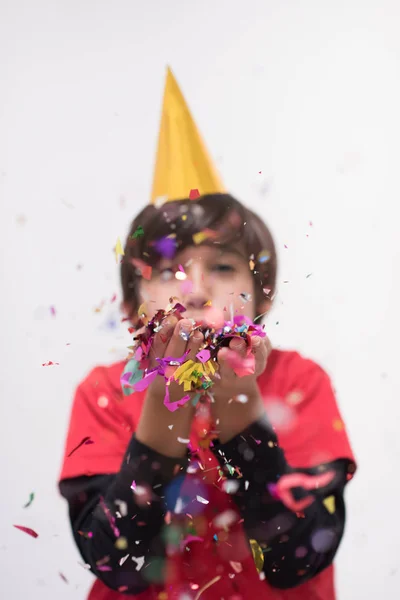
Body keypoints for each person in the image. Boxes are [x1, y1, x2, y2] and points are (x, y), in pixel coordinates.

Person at [58, 192, 356, 600]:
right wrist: (164, 410)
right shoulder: (105, 392)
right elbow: (118, 567)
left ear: (263, 293)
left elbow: (295, 562)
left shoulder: (299, 382)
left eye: (222, 266)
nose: (196, 291)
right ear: (131, 306)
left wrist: (241, 409)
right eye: (166, 271)